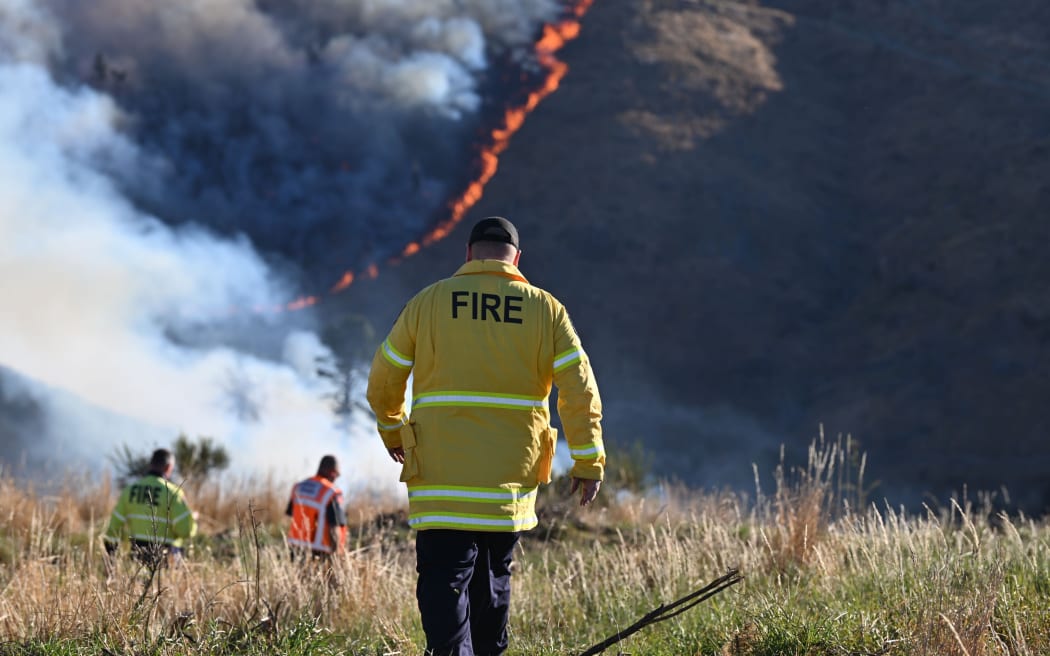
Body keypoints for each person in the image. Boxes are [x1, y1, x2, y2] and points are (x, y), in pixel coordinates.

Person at [366, 216, 606, 656]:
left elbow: (384, 379)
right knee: (493, 583)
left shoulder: (428, 302)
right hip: (508, 483)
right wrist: (589, 461)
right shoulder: (545, 309)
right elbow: (579, 389)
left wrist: (393, 430)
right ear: (517, 259)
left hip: (441, 478)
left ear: (468, 255)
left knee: (443, 582)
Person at [103, 448, 198, 567]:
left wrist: (110, 562)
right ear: (168, 467)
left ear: (150, 464)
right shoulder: (173, 493)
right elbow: (185, 531)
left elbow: (113, 529)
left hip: (136, 560)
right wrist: (192, 519)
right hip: (167, 561)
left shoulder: (130, 490)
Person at [286, 455, 348, 558]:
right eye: (337, 474)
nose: (336, 478)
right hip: (319, 553)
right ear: (332, 473)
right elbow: (334, 526)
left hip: (295, 548)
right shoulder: (332, 492)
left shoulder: (298, 487)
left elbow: (292, 514)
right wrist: (336, 556)